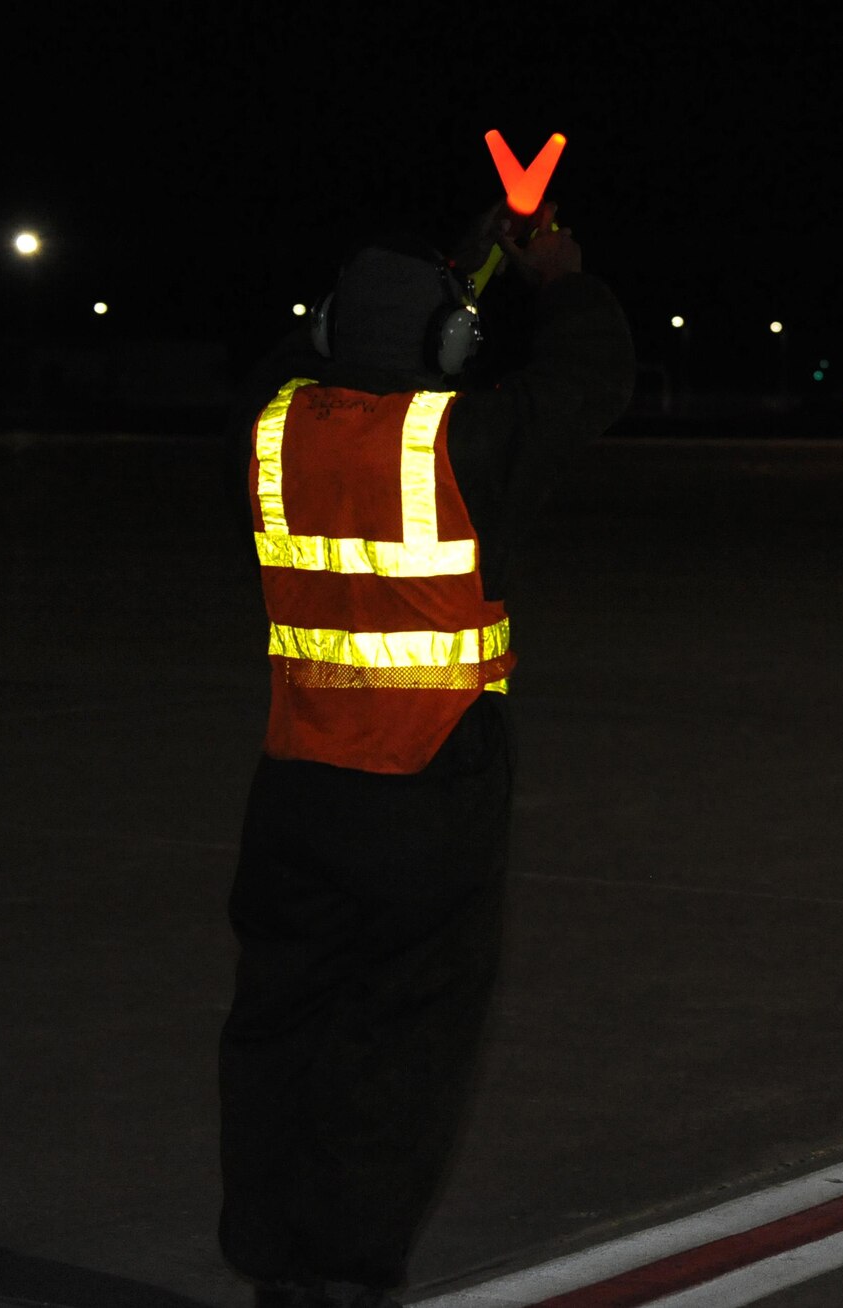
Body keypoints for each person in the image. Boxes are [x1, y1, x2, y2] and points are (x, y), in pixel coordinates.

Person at [215, 200, 634, 1307]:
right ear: (447, 346)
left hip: (296, 781)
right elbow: (595, 376)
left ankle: (267, 1249)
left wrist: (473, 256)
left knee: (279, 1022)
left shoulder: (270, 426)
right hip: (429, 785)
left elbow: (293, 357)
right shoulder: (468, 443)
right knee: (400, 1044)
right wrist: (553, 276)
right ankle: (341, 1280)